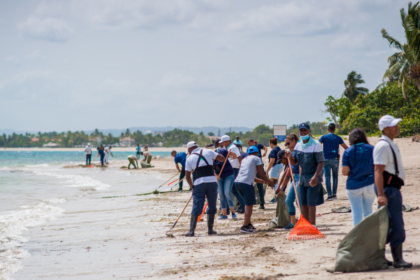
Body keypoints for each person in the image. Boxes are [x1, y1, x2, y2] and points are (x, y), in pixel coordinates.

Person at [373, 115, 412, 268]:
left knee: (391, 224)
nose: (397, 127)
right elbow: (378, 171)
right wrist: (381, 194)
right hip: (389, 189)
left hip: (393, 188)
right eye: (393, 125)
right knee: (394, 224)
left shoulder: (390, 144)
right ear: (385, 129)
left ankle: (390, 257)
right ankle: (396, 259)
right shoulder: (383, 146)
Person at [184, 141, 225, 237]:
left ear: (190, 149)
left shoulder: (189, 158)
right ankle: (210, 230)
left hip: (199, 184)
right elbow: (222, 159)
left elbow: (187, 176)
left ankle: (191, 231)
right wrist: (213, 158)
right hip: (212, 182)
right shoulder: (208, 151)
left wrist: (192, 187)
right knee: (212, 205)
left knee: (197, 205)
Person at [287, 123, 324, 226]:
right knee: (303, 203)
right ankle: (306, 224)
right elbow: (295, 162)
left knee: (311, 202)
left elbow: (321, 162)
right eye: (301, 130)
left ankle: (313, 225)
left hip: (313, 177)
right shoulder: (298, 145)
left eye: (305, 130)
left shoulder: (316, 144)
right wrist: (290, 157)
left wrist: (316, 176)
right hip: (302, 178)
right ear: (299, 132)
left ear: (309, 131)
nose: (303, 132)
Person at [234, 146, 275, 233]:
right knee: (249, 204)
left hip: (237, 182)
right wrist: (269, 182)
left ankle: (248, 224)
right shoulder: (257, 159)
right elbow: (262, 175)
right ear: (257, 153)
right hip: (246, 183)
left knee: (247, 204)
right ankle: (244, 226)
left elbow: (253, 177)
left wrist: (265, 182)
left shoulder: (245, 159)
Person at [341, 128, 375, 226]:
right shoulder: (372, 148)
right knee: (368, 211)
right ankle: (369, 234)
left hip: (353, 185)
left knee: (356, 213)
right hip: (370, 183)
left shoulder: (348, 151)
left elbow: (344, 172)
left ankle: (358, 237)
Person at [276, 133, 301, 229]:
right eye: (286, 144)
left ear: (294, 141)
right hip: (293, 178)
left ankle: (307, 221)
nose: (287, 145)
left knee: (300, 203)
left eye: (288, 143)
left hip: (299, 177)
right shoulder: (290, 153)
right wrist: (280, 188)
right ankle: (293, 223)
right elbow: (286, 174)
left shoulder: (298, 151)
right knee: (288, 201)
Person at [319, 123, 349, 201]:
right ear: (334, 130)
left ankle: (329, 195)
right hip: (335, 159)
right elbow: (346, 147)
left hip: (325, 159)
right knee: (335, 177)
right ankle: (334, 194)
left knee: (327, 177)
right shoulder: (338, 138)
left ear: (328, 129)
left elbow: (317, 146)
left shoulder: (323, 137)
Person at [220, 135, 246, 214]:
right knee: (233, 190)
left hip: (234, 169)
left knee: (233, 190)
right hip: (232, 169)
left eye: (224, 142)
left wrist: (242, 168)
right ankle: (242, 205)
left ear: (228, 141)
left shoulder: (233, 147)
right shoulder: (229, 147)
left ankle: (243, 205)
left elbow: (239, 157)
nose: (223, 144)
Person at [213, 147, 237, 220]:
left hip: (229, 175)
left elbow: (234, 157)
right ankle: (224, 215)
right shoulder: (210, 157)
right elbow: (212, 169)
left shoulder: (223, 151)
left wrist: (231, 153)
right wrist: (216, 175)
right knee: (221, 195)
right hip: (219, 177)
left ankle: (233, 212)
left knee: (227, 193)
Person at [247, 139, 268, 209]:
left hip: (257, 168)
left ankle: (261, 203)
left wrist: (265, 152)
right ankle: (257, 202)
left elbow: (265, 147)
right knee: (256, 187)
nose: (249, 144)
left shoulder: (258, 145)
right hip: (258, 167)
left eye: (249, 143)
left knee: (259, 187)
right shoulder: (250, 149)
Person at [266, 138, 282, 203]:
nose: (269, 145)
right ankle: (276, 197)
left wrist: (267, 170)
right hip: (280, 166)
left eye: (269, 144)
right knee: (277, 182)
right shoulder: (279, 149)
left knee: (273, 183)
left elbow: (271, 162)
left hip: (275, 167)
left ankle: (276, 198)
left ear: (271, 143)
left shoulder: (273, 151)